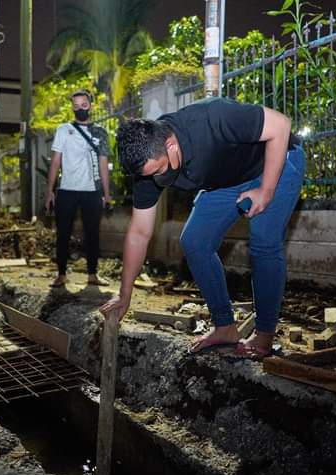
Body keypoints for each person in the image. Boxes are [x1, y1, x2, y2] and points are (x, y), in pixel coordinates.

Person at [99, 97, 304, 359]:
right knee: (195, 242)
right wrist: (124, 295)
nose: (155, 180)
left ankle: (264, 335)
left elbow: (280, 125)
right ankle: (225, 327)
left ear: (170, 145)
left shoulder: (211, 118)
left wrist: (266, 190)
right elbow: (139, 233)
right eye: (148, 175)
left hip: (278, 159)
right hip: (229, 179)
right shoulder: (148, 169)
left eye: (158, 170)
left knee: (264, 241)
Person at [44, 90, 112, 288]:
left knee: (93, 233)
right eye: (76, 106)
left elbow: (103, 164)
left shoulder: (100, 132)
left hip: (92, 192)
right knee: (62, 233)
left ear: (91, 106)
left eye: (83, 105)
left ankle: (92, 274)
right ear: (72, 108)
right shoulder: (63, 130)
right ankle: (61, 274)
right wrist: (50, 190)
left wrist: (107, 194)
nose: (80, 109)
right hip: (67, 191)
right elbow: (55, 162)